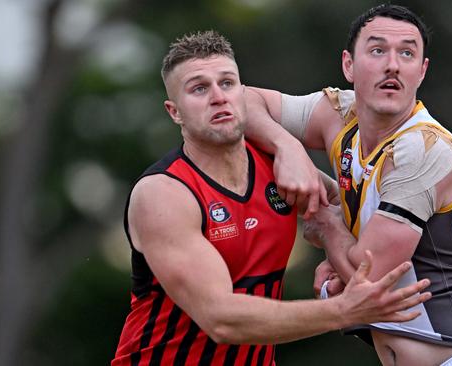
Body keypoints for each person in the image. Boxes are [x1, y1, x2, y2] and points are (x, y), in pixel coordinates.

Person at [110, 30, 433, 366]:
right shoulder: (164, 194)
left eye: (227, 83)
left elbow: (341, 212)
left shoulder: (278, 168)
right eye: (199, 88)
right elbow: (220, 318)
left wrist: (335, 256)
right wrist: (342, 308)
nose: (218, 97)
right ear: (174, 112)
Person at [244, 4, 452, 365]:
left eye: (407, 53)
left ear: (422, 71)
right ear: (348, 65)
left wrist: (327, 226)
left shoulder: (423, 149)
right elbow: (240, 102)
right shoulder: (340, 114)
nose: (393, 65)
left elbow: (367, 286)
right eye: (377, 50)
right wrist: (286, 145)